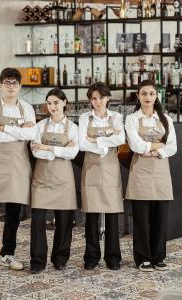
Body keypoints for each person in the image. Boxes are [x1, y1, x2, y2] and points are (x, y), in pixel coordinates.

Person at [0, 68, 37, 270]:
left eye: (14, 83)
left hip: (17, 166)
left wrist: (6, 129)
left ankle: (7, 254)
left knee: (14, 214)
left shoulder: (27, 108)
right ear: (0, 85)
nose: (11, 86)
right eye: (7, 83)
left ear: (20, 86)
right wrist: (20, 132)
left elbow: (31, 134)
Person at [125, 79, 177, 272]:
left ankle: (158, 257)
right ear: (138, 96)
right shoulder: (132, 119)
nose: (148, 97)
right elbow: (135, 146)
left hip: (161, 174)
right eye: (144, 93)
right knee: (141, 219)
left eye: (152, 94)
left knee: (160, 218)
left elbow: (172, 147)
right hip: (140, 173)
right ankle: (143, 258)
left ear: (157, 96)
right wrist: (158, 145)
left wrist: (154, 151)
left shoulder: (166, 120)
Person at [30, 88, 79, 274]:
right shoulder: (40, 126)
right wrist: (60, 150)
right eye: (49, 103)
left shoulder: (73, 128)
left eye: (56, 102)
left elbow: (73, 153)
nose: (52, 107)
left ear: (65, 103)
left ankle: (60, 258)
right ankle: (37, 261)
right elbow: (35, 151)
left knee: (65, 221)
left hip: (63, 180)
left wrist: (47, 147)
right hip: (41, 179)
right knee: (37, 221)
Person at [79, 82, 125, 270]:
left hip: (110, 170)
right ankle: (91, 256)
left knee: (112, 212)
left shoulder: (116, 117)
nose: (97, 102)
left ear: (108, 98)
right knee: (91, 214)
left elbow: (121, 139)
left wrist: (95, 140)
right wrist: (106, 142)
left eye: (101, 97)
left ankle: (113, 257)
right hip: (91, 170)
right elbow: (82, 144)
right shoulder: (84, 117)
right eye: (94, 98)